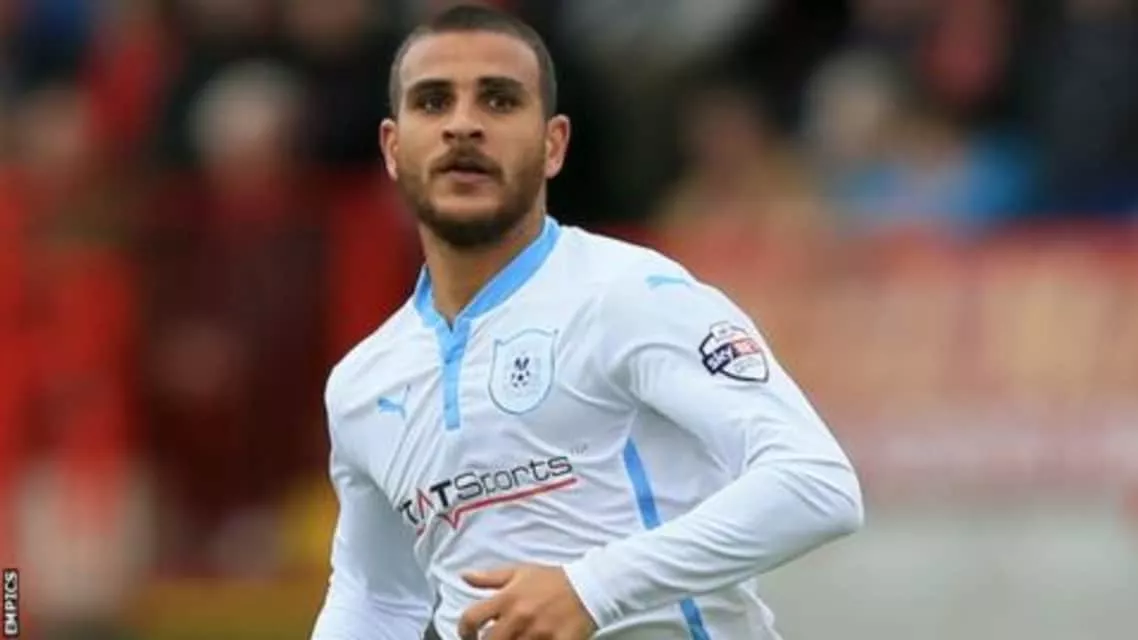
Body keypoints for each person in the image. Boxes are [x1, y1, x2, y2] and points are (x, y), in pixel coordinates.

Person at [310, 5, 863, 640]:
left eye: (499, 100)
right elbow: (375, 598)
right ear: (392, 147)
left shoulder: (628, 296)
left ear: (553, 145)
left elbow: (815, 483)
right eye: (433, 103)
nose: (463, 125)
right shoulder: (364, 384)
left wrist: (593, 588)